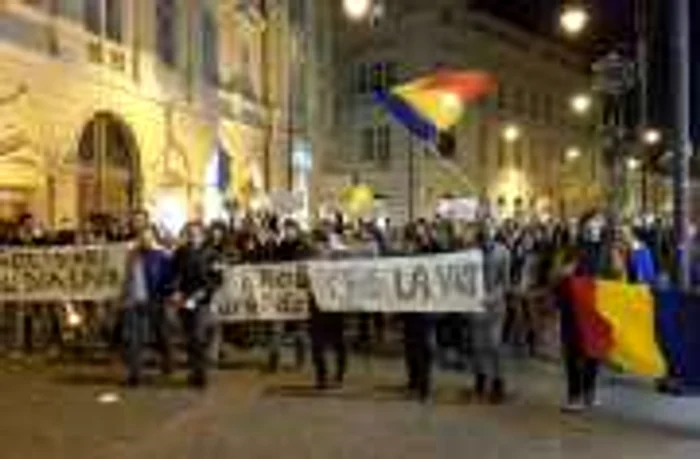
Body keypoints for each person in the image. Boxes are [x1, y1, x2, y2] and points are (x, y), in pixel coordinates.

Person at [121, 225, 173, 387]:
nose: (146, 240)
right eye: (143, 237)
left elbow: (168, 278)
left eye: (149, 237)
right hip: (136, 301)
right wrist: (124, 297)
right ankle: (135, 373)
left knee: (160, 334)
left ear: (154, 238)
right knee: (136, 339)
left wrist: (168, 293)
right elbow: (127, 277)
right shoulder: (132, 256)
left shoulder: (162, 256)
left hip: (156, 300)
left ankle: (167, 361)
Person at [172, 221, 221, 388]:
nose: (193, 235)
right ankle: (194, 370)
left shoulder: (212, 254)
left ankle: (201, 373)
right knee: (189, 337)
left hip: (202, 300)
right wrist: (176, 291)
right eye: (190, 232)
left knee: (198, 335)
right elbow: (175, 274)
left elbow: (217, 279)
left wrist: (204, 292)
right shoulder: (180, 252)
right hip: (185, 299)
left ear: (202, 234)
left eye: (196, 232)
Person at [466, 222, 510, 403]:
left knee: (494, 344)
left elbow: (505, 282)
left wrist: (491, 296)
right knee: (477, 346)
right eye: (482, 233)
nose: (485, 236)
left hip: (495, 306)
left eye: (488, 232)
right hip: (476, 306)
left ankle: (498, 381)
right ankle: (480, 378)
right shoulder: (471, 252)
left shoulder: (503, 252)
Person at [402, 220, 438, 402]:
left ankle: (425, 386)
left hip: (426, 308)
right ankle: (414, 380)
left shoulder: (432, 251)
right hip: (410, 308)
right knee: (411, 346)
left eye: (420, 235)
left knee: (425, 348)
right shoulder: (406, 254)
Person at [308, 228, 347, 389]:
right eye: (314, 243)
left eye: (319, 243)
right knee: (317, 344)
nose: (317, 247)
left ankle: (339, 373)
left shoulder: (337, 259)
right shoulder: (310, 262)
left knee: (338, 342)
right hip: (316, 307)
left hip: (334, 307)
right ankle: (321, 376)